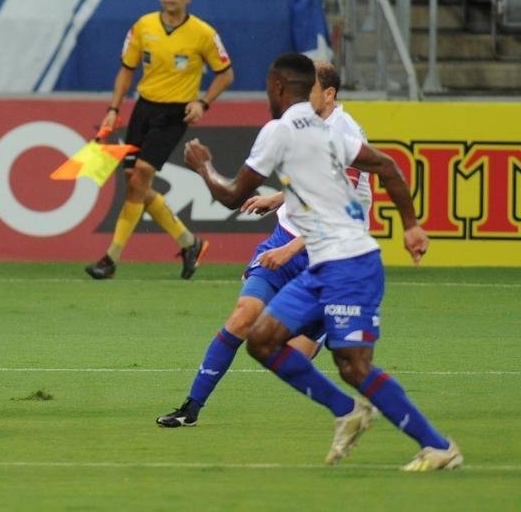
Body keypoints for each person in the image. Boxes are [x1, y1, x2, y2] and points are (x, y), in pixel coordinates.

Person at [182, 52, 461, 470]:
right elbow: (386, 166)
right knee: (262, 339)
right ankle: (347, 411)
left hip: (349, 263)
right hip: (322, 264)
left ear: (278, 87)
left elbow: (232, 195)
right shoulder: (326, 130)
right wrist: (411, 226)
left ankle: (438, 446)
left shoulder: (282, 130)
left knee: (355, 367)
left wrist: (204, 167)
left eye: (268, 87)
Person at [156, 60, 371, 427]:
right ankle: (191, 407)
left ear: (329, 94)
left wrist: (290, 249)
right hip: (284, 238)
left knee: (289, 357)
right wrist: (277, 199)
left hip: (328, 256)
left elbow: (337, 209)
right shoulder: (297, 124)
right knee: (242, 317)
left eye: (309, 89)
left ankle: (345, 405)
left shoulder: (346, 134)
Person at [86, 0, 234, 281]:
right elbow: (126, 70)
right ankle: (190, 243)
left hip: (174, 114)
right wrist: (114, 109)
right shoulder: (143, 26)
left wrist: (203, 103)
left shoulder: (203, 33)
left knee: (141, 174)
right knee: (135, 183)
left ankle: (111, 258)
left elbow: (226, 74)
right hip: (143, 109)